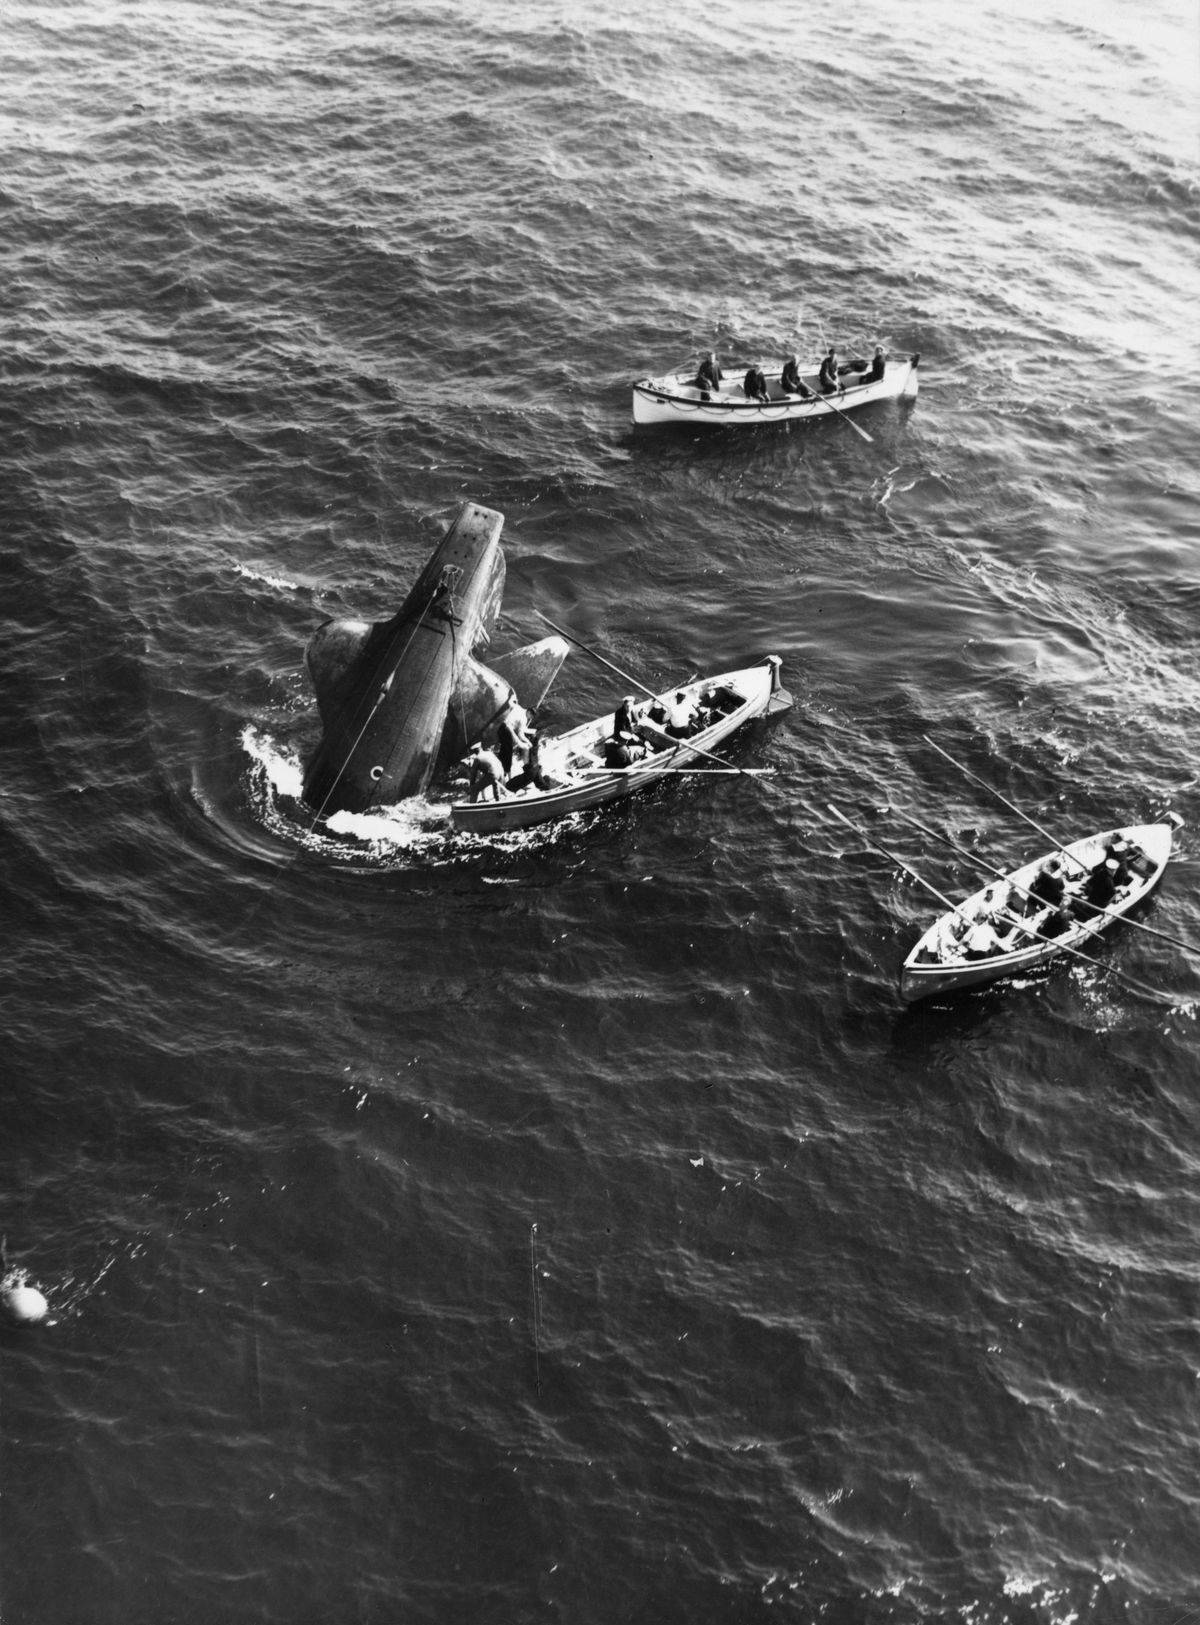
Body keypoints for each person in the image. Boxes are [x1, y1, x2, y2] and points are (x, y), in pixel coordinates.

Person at [495, 701, 532, 780]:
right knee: (508, 754)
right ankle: (508, 777)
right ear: (528, 712)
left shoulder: (518, 707)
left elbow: (510, 702)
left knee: (503, 752)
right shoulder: (524, 719)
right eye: (530, 716)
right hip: (507, 730)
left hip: (501, 728)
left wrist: (511, 696)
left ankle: (501, 773)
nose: (530, 718)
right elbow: (520, 735)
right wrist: (528, 742)